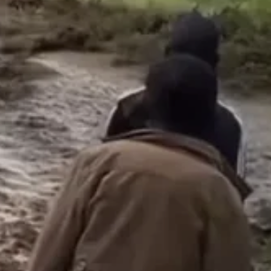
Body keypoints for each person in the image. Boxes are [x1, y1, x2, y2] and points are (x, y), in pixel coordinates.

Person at [26, 54, 253, 271]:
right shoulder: (219, 190)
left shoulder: (97, 162)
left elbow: (52, 249)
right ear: (212, 119)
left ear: (144, 107)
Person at [102, 10, 248, 182]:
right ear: (216, 62)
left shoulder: (126, 107)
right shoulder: (231, 125)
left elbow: (100, 167)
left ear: (166, 52)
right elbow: (234, 195)